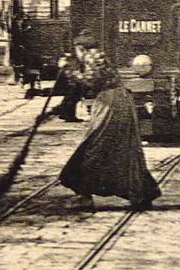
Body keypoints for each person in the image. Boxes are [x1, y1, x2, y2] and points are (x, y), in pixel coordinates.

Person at [58, 43, 159, 211]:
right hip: (119, 101)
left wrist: (68, 69)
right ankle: (142, 194)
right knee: (124, 148)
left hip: (110, 104)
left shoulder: (91, 57)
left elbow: (89, 81)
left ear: (80, 48)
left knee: (94, 146)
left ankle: (84, 195)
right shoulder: (98, 56)